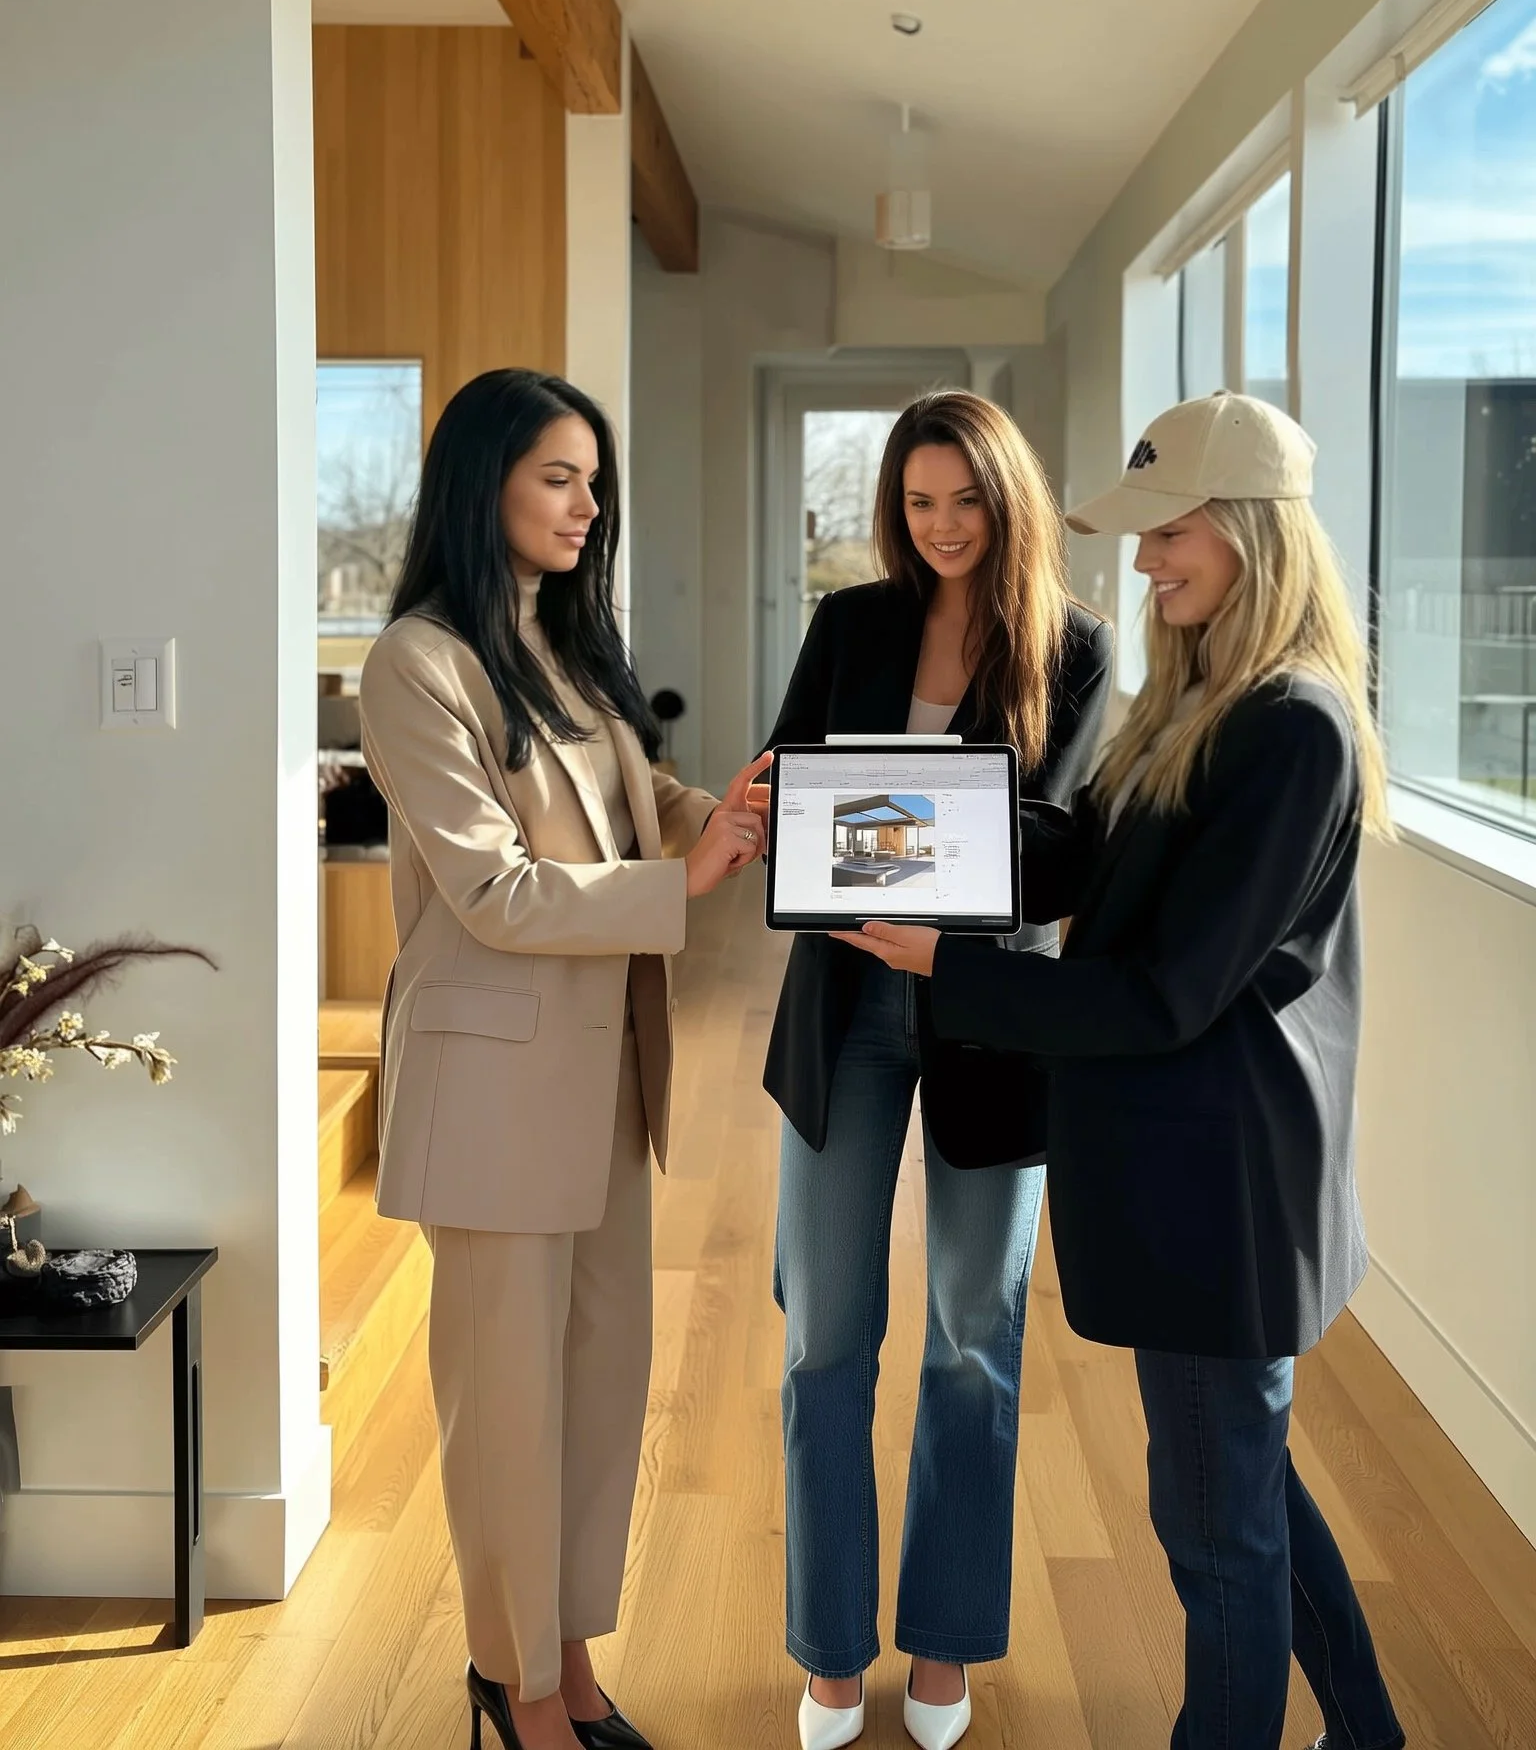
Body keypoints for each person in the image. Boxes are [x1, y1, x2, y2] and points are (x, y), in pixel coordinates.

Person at [836, 392, 1405, 1750]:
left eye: (1170, 534)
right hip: (1187, 1176)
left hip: (1223, 1186)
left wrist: (941, 965)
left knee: (1214, 1531)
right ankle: (1369, 1733)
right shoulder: (1200, 701)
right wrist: (862, 837)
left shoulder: (1292, 728)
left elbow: (1164, 996)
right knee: (1243, 1485)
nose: (1145, 564)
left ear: (1253, 534)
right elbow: (1071, 856)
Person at [359, 369, 769, 1750]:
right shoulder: (417, 662)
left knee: (596, 1395)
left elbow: (643, 801)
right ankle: (515, 1685)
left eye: (596, 481)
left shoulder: (566, 645)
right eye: (559, 477)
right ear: (486, 484)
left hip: (604, 1082)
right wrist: (689, 881)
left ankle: (575, 1663)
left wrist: (746, 816)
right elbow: (495, 889)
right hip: (490, 1098)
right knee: (508, 1416)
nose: (589, 505)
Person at [762, 392, 1113, 1750]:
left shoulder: (1076, 652)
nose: (943, 526)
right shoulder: (848, 625)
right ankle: (831, 1652)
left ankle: (950, 1644)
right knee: (824, 1340)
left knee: (974, 1342)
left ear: (1006, 500)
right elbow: (799, 788)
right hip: (843, 1004)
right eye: (918, 502)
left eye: (965, 499)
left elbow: (1063, 850)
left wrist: (893, 830)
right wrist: (780, 806)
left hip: (988, 1017)